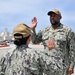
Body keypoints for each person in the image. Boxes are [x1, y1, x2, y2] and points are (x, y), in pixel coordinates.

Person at [30, 9, 75, 75]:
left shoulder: (67, 31)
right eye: (51, 16)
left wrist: (71, 66)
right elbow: (34, 41)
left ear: (60, 17)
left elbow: (72, 50)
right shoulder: (44, 31)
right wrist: (33, 29)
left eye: (54, 15)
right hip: (47, 69)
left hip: (62, 69)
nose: (52, 17)